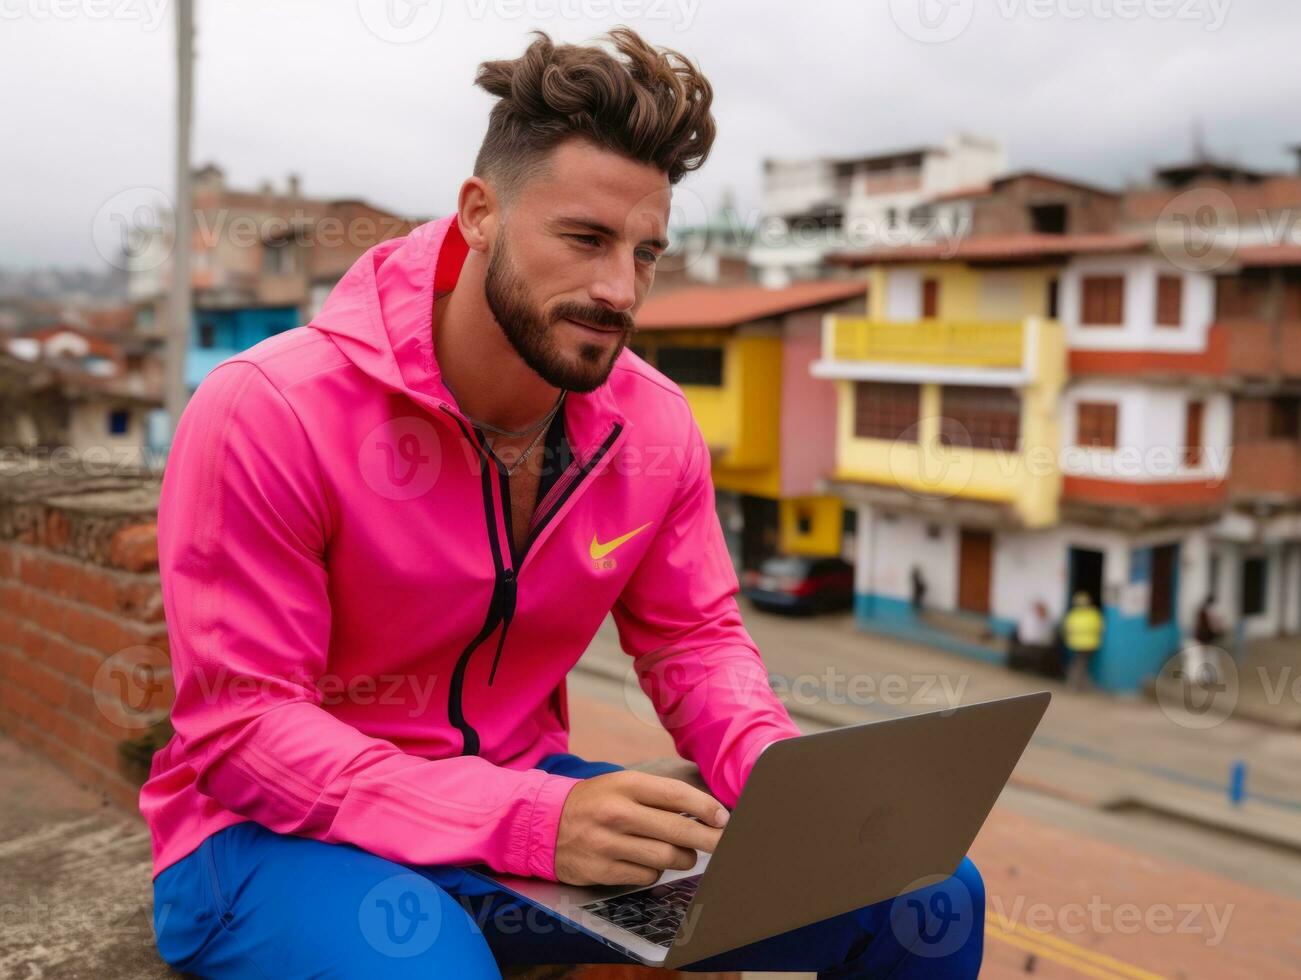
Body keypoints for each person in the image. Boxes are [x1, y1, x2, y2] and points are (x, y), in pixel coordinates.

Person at [141, 28, 984, 979]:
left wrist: (772, 778)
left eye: (645, 252)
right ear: (479, 215)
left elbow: (693, 640)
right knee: (427, 965)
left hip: (514, 815)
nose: (618, 290)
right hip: (267, 838)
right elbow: (246, 729)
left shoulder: (653, 426)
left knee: (927, 892)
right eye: (584, 239)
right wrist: (532, 820)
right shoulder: (271, 409)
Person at [1063, 591, 1104, 691]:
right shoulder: (1094, 614)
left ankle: (1076, 684)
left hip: (1076, 644)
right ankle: (1077, 684)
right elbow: (1100, 627)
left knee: (1080, 664)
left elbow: (1066, 628)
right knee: (1081, 664)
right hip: (1090, 644)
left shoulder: (1073, 614)